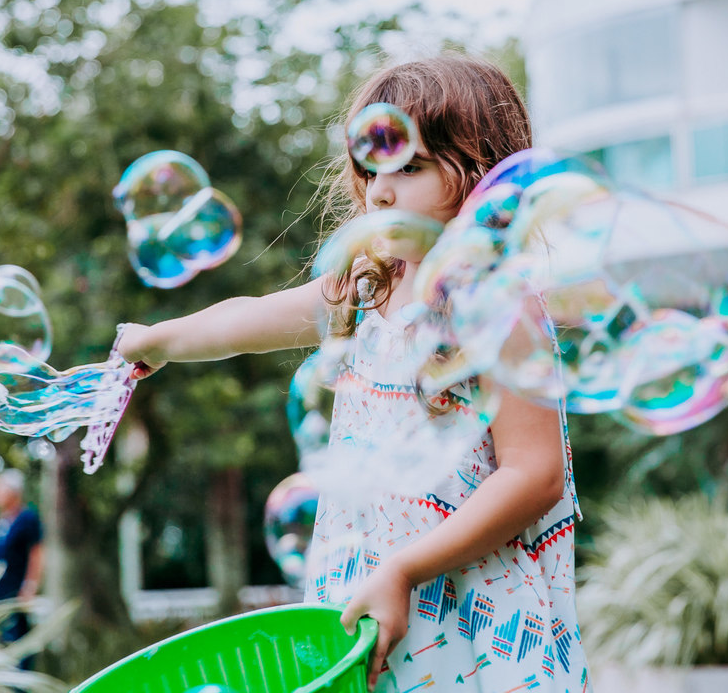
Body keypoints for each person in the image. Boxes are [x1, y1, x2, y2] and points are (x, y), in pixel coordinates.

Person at [119, 54, 592, 693]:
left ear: (483, 174)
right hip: (372, 597)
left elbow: (533, 475)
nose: (381, 191)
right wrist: (162, 340)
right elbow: (249, 320)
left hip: (476, 618)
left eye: (411, 167)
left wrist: (404, 569)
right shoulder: (365, 288)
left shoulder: (499, 306)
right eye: (370, 169)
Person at [0, 469, 44, 670]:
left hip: (16, 591)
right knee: (1, 640)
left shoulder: (27, 517)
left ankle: (20, 685)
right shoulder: (1, 520)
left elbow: (36, 553)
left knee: (18, 640)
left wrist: (30, 585)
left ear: (13, 491)